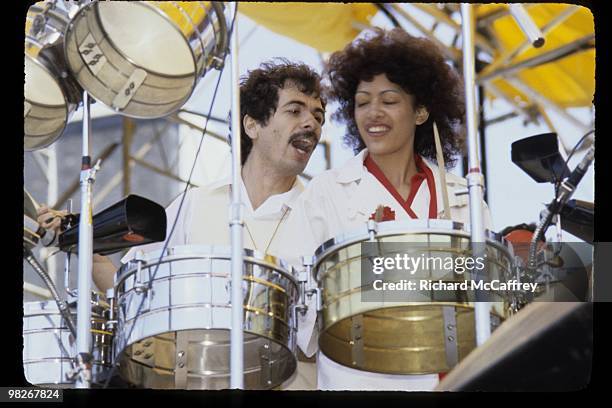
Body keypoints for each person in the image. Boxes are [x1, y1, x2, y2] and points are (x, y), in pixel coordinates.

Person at [36, 58, 326, 390]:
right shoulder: (196, 204)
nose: (311, 124)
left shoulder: (322, 213)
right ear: (252, 126)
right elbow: (132, 294)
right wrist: (83, 242)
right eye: (295, 111)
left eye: (318, 116)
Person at [284, 28, 493, 390]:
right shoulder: (327, 192)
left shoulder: (464, 198)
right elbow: (295, 310)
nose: (373, 113)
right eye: (362, 102)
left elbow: (488, 304)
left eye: (389, 100)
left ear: (422, 111)